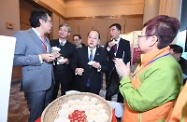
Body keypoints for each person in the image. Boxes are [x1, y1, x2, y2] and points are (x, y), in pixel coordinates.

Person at [114, 15, 183, 122]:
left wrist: (124, 77)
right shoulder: (153, 59)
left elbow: (137, 102)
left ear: (152, 40)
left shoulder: (165, 69)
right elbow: (142, 82)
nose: (138, 39)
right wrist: (128, 74)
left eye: (141, 36)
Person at [13, 9, 60, 122]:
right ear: (41, 21)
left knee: (45, 114)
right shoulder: (22, 35)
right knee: (36, 116)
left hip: (49, 83)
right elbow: (15, 60)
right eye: (49, 21)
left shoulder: (46, 39)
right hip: (35, 84)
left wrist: (52, 56)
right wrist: (41, 57)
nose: (52, 25)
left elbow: (45, 56)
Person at [71, 30, 108, 95]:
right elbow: (73, 64)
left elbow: (106, 67)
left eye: (94, 38)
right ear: (87, 38)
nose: (92, 40)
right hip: (81, 84)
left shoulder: (103, 52)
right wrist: (76, 70)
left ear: (98, 41)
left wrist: (99, 66)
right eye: (90, 37)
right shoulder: (79, 51)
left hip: (95, 85)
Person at [105, 23, 131, 103]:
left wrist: (121, 63)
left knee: (120, 91)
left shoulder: (125, 43)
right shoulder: (108, 43)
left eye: (113, 30)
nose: (111, 32)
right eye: (110, 30)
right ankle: (108, 107)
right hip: (110, 69)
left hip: (120, 70)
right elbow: (104, 56)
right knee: (109, 90)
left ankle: (119, 110)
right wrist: (108, 48)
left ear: (119, 31)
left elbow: (128, 56)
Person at [50, 23, 76, 100]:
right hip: (53, 71)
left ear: (69, 33)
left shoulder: (72, 46)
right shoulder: (51, 42)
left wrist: (67, 60)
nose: (62, 31)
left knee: (65, 94)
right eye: (60, 29)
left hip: (66, 73)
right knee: (52, 93)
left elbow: (74, 60)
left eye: (65, 30)